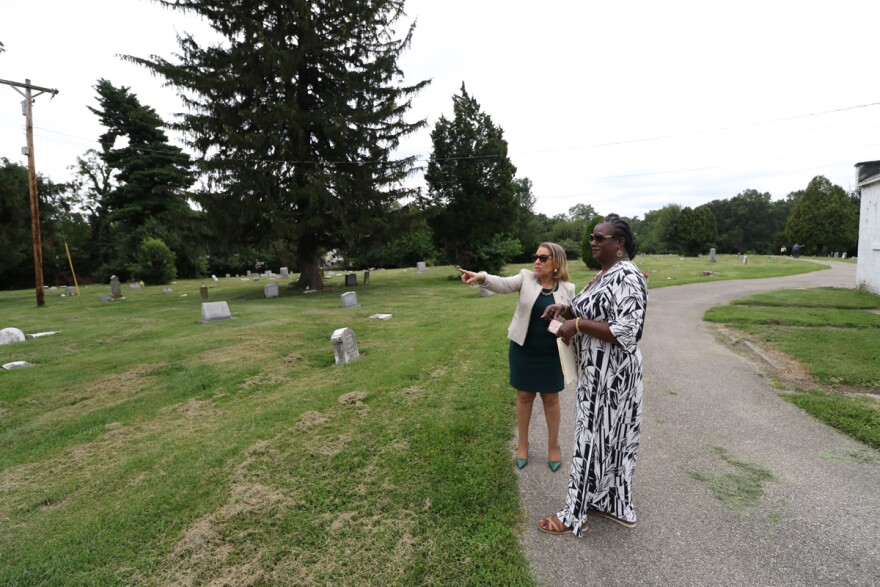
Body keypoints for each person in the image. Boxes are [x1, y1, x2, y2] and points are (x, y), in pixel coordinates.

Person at [536, 214, 648, 536]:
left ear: (620, 243)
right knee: (606, 441)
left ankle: (574, 513)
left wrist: (579, 325)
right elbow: (590, 310)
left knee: (591, 441)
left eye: (601, 238)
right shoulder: (604, 274)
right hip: (598, 375)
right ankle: (607, 501)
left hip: (613, 377)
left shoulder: (627, 275)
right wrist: (564, 312)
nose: (594, 242)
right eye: (592, 238)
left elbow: (628, 331)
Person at [459, 243, 575, 472]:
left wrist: (564, 311)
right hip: (524, 349)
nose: (537, 261)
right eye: (536, 257)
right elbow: (502, 284)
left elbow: (572, 317)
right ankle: (523, 444)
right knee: (524, 396)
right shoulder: (525, 278)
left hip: (551, 352)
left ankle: (553, 446)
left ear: (556, 263)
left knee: (551, 398)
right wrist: (481, 276)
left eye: (543, 257)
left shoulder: (568, 288)